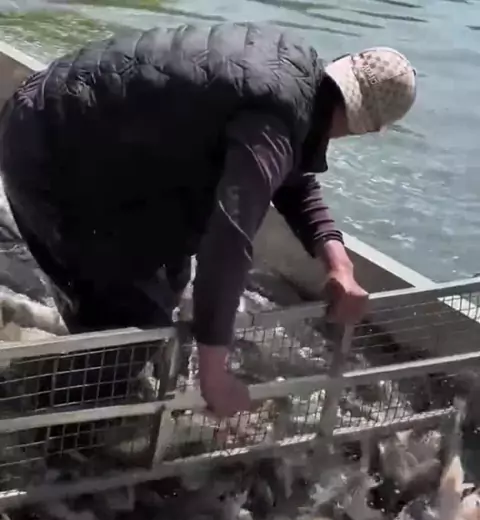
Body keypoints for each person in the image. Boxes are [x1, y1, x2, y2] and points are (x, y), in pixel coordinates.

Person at [0, 24, 416, 417]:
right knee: (133, 326)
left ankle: (92, 374)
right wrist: (214, 378)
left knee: (165, 279)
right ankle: (46, 421)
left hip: (65, 116)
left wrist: (338, 262)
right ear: (364, 126)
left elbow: (292, 175)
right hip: (51, 152)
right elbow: (228, 242)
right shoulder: (275, 118)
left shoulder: (294, 73)